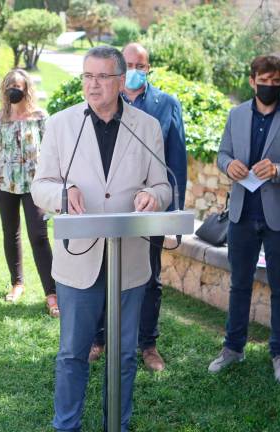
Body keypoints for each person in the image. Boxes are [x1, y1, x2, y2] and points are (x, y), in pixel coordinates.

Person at [31, 46, 171, 432]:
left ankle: (117, 426)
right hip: (78, 260)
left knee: (125, 356)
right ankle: (66, 426)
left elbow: (163, 185)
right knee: (73, 354)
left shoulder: (147, 127)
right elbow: (39, 185)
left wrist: (154, 196)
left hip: (130, 260)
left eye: (102, 77)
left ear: (121, 80)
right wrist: (64, 191)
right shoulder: (60, 125)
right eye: (87, 77)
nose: (92, 85)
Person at [208, 55, 280, 384]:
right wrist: (228, 166)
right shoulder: (236, 114)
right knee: (239, 285)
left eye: (276, 82)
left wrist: (279, 171)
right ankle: (233, 348)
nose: (270, 87)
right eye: (264, 81)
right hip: (242, 214)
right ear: (252, 80)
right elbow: (222, 154)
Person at [89, 43, 188, 370]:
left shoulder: (166, 105)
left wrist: (173, 212)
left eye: (139, 65)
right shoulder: (103, 102)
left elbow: (176, 161)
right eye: (128, 64)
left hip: (151, 208)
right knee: (105, 271)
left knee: (150, 277)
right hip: (109, 208)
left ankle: (148, 344)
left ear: (148, 69)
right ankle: (100, 338)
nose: (133, 70)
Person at [0, 69, 57, 316]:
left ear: (27, 88)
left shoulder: (40, 117)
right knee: (11, 234)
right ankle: (17, 283)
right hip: (4, 184)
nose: (13, 90)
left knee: (39, 236)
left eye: (18, 85)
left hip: (34, 185)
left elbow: (50, 151)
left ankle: (52, 292)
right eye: (9, 86)